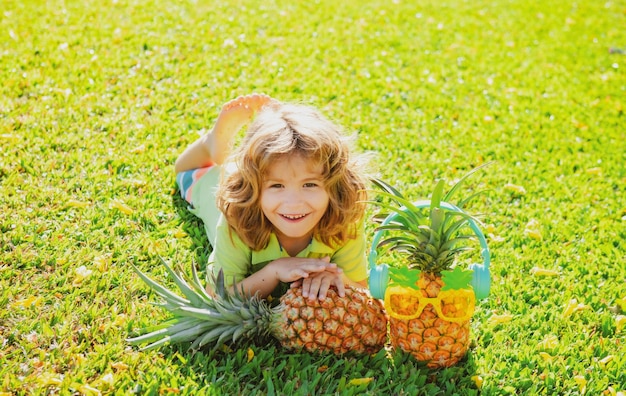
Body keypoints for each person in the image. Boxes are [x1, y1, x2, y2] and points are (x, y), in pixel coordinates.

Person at [174, 94, 370, 302]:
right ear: (253, 191)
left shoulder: (345, 216)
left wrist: (337, 277)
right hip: (215, 184)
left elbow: (362, 291)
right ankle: (211, 143)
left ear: (335, 185)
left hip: (260, 172)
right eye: (277, 186)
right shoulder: (236, 214)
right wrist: (273, 271)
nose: (294, 203)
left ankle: (272, 124)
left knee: (278, 166)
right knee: (185, 170)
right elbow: (217, 297)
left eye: (310, 184)